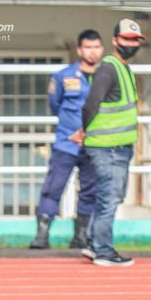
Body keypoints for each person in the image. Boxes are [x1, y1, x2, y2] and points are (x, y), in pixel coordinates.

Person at [71, 19, 144, 267]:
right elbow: (91, 103)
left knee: (110, 196)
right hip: (108, 147)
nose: (131, 44)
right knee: (108, 198)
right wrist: (83, 130)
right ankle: (103, 250)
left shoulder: (121, 69)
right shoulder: (109, 68)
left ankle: (94, 244)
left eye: (135, 40)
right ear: (115, 41)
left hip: (116, 146)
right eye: (126, 39)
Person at [29, 30, 103, 250]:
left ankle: (81, 235)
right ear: (80, 50)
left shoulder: (106, 77)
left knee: (90, 190)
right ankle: (42, 234)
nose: (92, 52)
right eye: (88, 47)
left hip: (95, 143)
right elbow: (55, 104)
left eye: (96, 47)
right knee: (53, 187)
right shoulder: (63, 76)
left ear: (102, 49)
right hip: (66, 142)